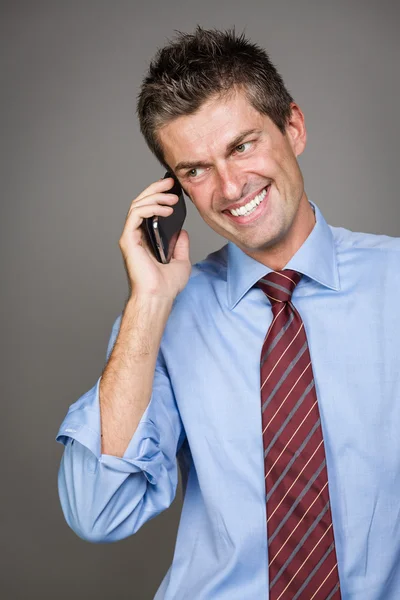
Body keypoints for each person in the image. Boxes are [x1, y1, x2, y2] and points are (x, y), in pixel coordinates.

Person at [56, 26, 400, 600]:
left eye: (242, 146)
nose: (230, 186)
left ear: (293, 126)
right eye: (195, 170)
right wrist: (148, 302)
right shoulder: (162, 318)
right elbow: (98, 512)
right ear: (176, 190)